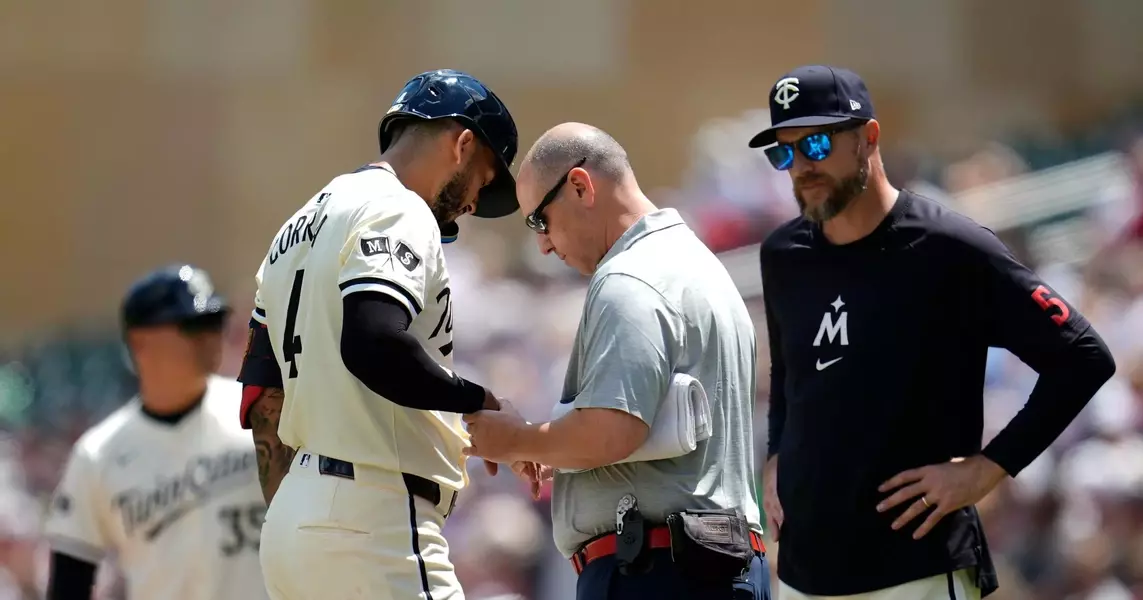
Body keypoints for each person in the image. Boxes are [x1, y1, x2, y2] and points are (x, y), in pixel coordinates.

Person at [751, 65, 1117, 600]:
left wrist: (991, 467)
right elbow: (790, 373)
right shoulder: (783, 254)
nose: (801, 165)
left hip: (915, 570)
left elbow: (1084, 356)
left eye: (817, 143)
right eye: (784, 152)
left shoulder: (950, 247)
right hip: (806, 574)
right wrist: (777, 455)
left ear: (868, 139)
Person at [236, 69, 518, 600]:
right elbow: (373, 343)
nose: (475, 202)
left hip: (295, 522)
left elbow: (263, 398)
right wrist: (479, 399)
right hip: (374, 517)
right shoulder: (399, 207)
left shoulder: (297, 224)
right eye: (483, 178)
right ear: (462, 144)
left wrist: (308, 522)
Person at [462, 122, 770, 600]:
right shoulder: (696, 264)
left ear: (580, 186)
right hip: (709, 564)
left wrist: (513, 439)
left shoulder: (630, 276)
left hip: (658, 571)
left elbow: (611, 431)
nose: (542, 244)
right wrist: (545, 446)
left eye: (539, 221)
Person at [43, 264, 269, 600]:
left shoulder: (260, 411)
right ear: (140, 342)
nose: (211, 335)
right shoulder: (99, 453)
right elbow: (69, 582)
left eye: (213, 322)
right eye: (193, 326)